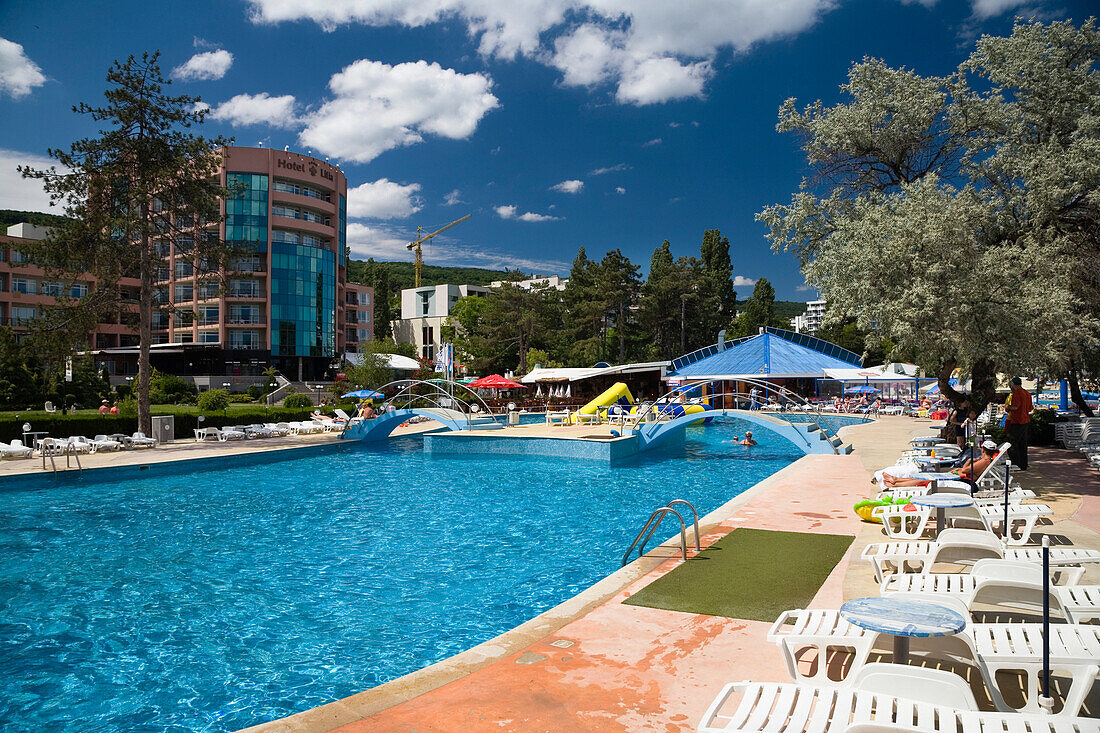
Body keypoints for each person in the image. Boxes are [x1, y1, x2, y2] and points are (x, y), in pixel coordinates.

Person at [882, 441, 997, 487]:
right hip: (958, 477)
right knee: (926, 478)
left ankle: (895, 484)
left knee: (926, 480)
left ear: (983, 450)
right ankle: (896, 479)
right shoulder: (986, 461)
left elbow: (966, 470)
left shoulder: (983, 461)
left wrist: (969, 461)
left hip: (963, 481)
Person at [1004, 376, 1032, 470]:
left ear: (1013, 384)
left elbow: (1015, 407)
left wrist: (1008, 407)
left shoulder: (1017, 393)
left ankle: (1015, 464)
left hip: (1017, 421)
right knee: (1023, 444)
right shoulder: (1027, 393)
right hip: (1025, 420)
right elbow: (1030, 408)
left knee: (1011, 443)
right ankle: (1023, 464)